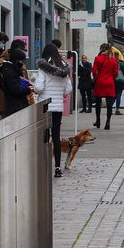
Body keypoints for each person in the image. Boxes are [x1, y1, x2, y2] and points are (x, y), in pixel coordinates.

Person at [35, 49, 73, 177]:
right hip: (58, 108)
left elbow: (39, 88)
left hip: (45, 106)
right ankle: (57, 167)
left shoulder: (43, 70)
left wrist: (36, 90)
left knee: (44, 136)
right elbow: (69, 88)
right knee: (56, 136)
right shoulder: (64, 71)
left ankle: (43, 164)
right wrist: (59, 93)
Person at [0, 39, 32, 118]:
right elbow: (15, 88)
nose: (22, 62)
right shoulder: (7, 68)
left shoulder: (14, 68)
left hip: (18, 103)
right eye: (23, 50)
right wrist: (28, 89)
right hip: (13, 105)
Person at [92, 44, 119, 130]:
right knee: (109, 104)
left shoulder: (98, 58)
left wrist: (97, 76)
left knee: (98, 103)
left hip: (100, 81)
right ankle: (108, 122)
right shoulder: (113, 59)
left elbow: (94, 71)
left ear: (101, 49)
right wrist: (111, 77)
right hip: (109, 82)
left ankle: (98, 120)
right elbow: (116, 72)